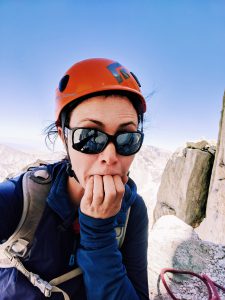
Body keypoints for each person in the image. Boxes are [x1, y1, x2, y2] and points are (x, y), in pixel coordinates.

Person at [0, 58, 149, 299]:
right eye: (89, 136)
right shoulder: (21, 197)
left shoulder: (133, 211)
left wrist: (99, 235)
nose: (110, 157)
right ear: (63, 136)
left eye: (127, 138)